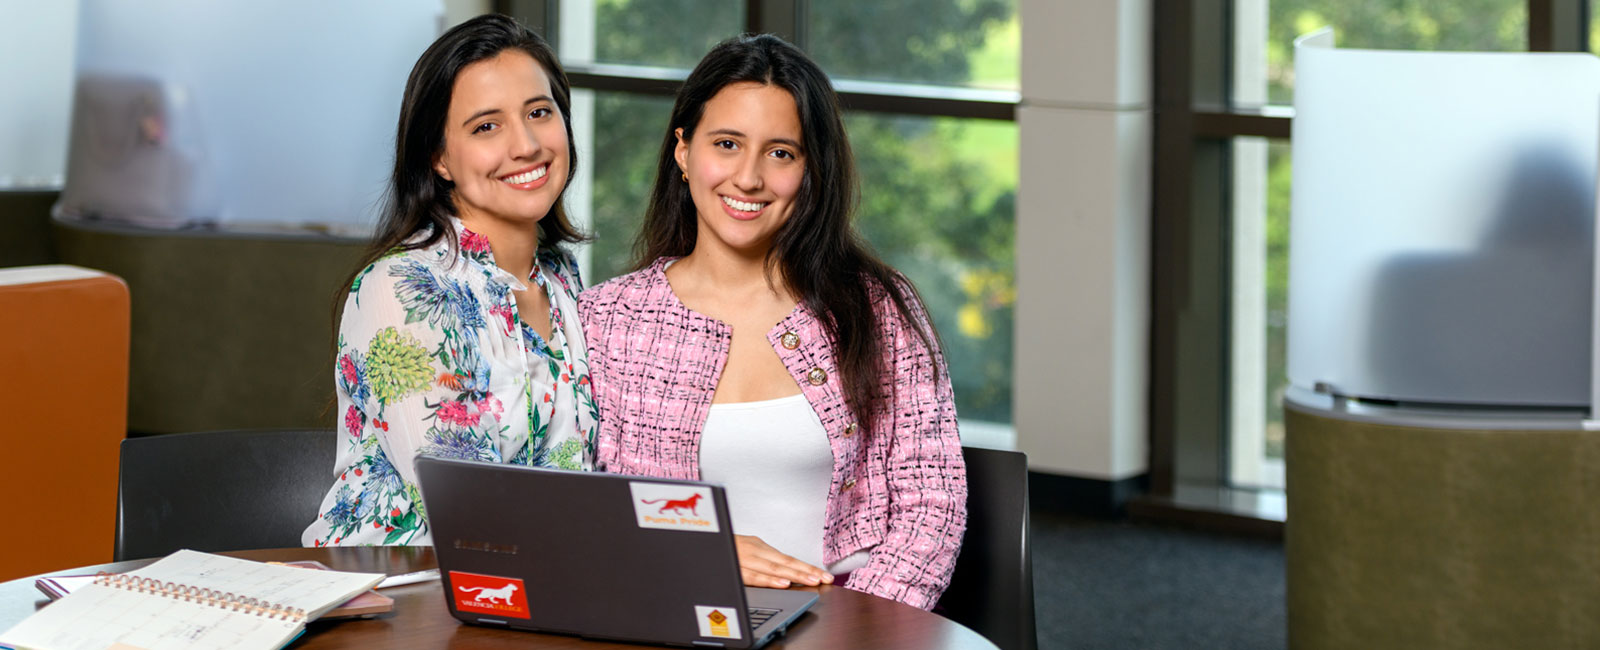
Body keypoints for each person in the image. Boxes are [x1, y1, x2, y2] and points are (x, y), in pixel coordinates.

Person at [578, 34, 967, 610]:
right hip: (672, 611)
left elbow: (932, 505)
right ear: (683, 152)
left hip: (853, 619)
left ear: (811, 169)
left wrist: (859, 632)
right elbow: (591, 511)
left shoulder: (877, 308)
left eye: (781, 152)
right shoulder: (608, 320)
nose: (749, 178)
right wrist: (698, 553)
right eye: (727, 144)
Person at [304, 14, 595, 547]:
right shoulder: (401, 288)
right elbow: (460, 505)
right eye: (487, 126)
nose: (526, 144)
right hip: (401, 594)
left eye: (539, 112)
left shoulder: (562, 277)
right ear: (438, 157)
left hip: (537, 585)